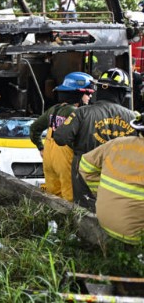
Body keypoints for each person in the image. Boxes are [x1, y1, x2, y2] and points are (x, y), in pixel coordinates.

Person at [53, 68, 138, 210]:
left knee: (84, 213)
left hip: (84, 175)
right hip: (120, 175)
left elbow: (60, 137)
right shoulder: (134, 118)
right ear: (122, 93)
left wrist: (80, 141)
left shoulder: (82, 113)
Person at [78, 113, 144, 243]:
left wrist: (100, 191)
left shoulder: (116, 144)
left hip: (107, 223)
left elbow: (85, 164)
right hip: (136, 236)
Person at [29, 72, 95, 201]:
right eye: (87, 93)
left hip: (49, 158)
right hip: (65, 162)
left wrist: (41, 148)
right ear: (78, 94)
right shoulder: (77, 113)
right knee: (70, 200)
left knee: (53, 198)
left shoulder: (54, 109)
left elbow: (34, 129)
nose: (89, 97)